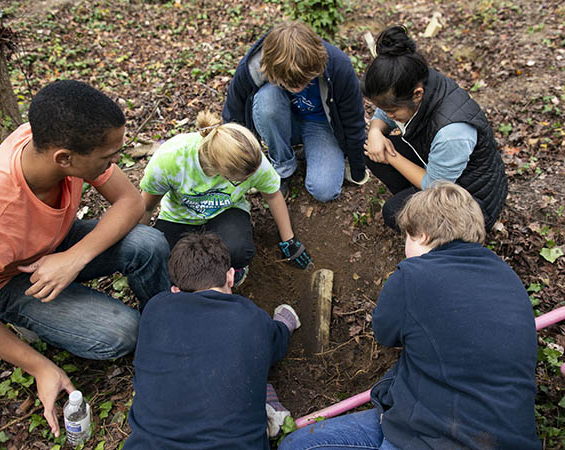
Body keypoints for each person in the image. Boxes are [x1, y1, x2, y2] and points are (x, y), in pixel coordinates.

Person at [0, 80, 170, 437]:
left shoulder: (56, 139)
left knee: (148, 243)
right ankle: (30, 321)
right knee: (123, 333)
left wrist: (73, 258)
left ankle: (171, 319)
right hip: (11, 281)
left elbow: (131, 202)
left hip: (57, 243)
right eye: (108, 158)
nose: (116, 162)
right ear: (64, 159)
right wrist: (39, 367)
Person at [280, 182, 540, 450]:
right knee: (298, 445)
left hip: (440, 437)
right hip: (497, 432)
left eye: (406, 236)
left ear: (423, 236)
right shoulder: (506, 275)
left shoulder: (413, 274)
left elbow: (385, 333)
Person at [124, 231, 300, 449]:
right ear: (230, 276)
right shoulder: (249, 317)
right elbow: (276, 344)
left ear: (175, 290)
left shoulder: (155, 309)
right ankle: (267, 410)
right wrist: (284, 322)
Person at [361, 25, 507, 231]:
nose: (388, 114)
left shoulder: (452, 133)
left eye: (392, 110)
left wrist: (391, 157)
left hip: (473, 198)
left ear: (417, 94)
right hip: (438, 167)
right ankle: (413, 196)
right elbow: (384, 113)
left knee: (393, 213)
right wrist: (375, 131)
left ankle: (437, 225)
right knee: (370, 149)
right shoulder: (412, 78)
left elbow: (435, 185)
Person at [140, 110, 311, 284]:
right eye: (241, 180)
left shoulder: (252, 160)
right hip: (179, 218)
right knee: (166, 265)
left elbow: (273, 196)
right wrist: (139, 247)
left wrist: (288, 239)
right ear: (220, 172)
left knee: (238, 251)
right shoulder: (171, 159)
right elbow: (146, 207)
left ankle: (233, 270)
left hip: (225, 213)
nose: (250, 180)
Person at [222, 20, 368, 201]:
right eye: (290, 84)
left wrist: (357, 169)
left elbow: (353, 122)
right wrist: (243, 164)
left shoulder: (339, 66)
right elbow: (233, 116)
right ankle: (282, 168)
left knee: (324, 190)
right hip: (281, 119)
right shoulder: (252, 67)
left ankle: (305, 150)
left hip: (320, 125)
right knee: (267, 100)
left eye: (305, 81)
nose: (298, 88)